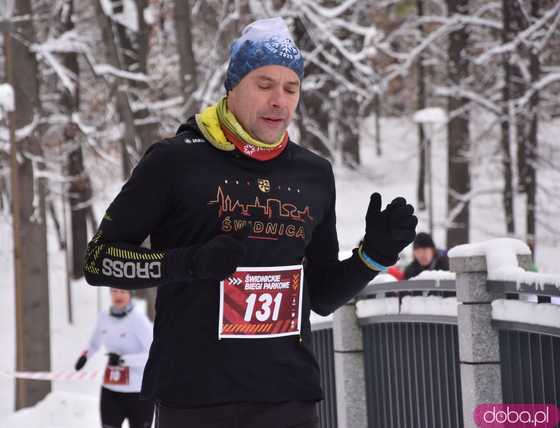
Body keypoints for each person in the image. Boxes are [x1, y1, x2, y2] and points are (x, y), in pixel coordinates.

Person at [83, 17, 417, 428]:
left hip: (290, 398)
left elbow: (323, 295)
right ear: (233, 85)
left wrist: (374, 256)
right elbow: (98, 262)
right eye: (265, 84)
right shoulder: (176, 161)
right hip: (194, 399)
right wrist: (188, 263)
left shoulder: (313, 174)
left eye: (291, 88)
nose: (279, 100)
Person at [74, 288, 154, 428]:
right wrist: (85, 356)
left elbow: (153, 355)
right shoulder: (104, 318)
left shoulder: (138, 320)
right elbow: (94, 344)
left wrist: (123, 360)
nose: (118, 296)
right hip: (111, 390)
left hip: (138, 392)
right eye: (115, 291)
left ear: (130, 295)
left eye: (123, 292)